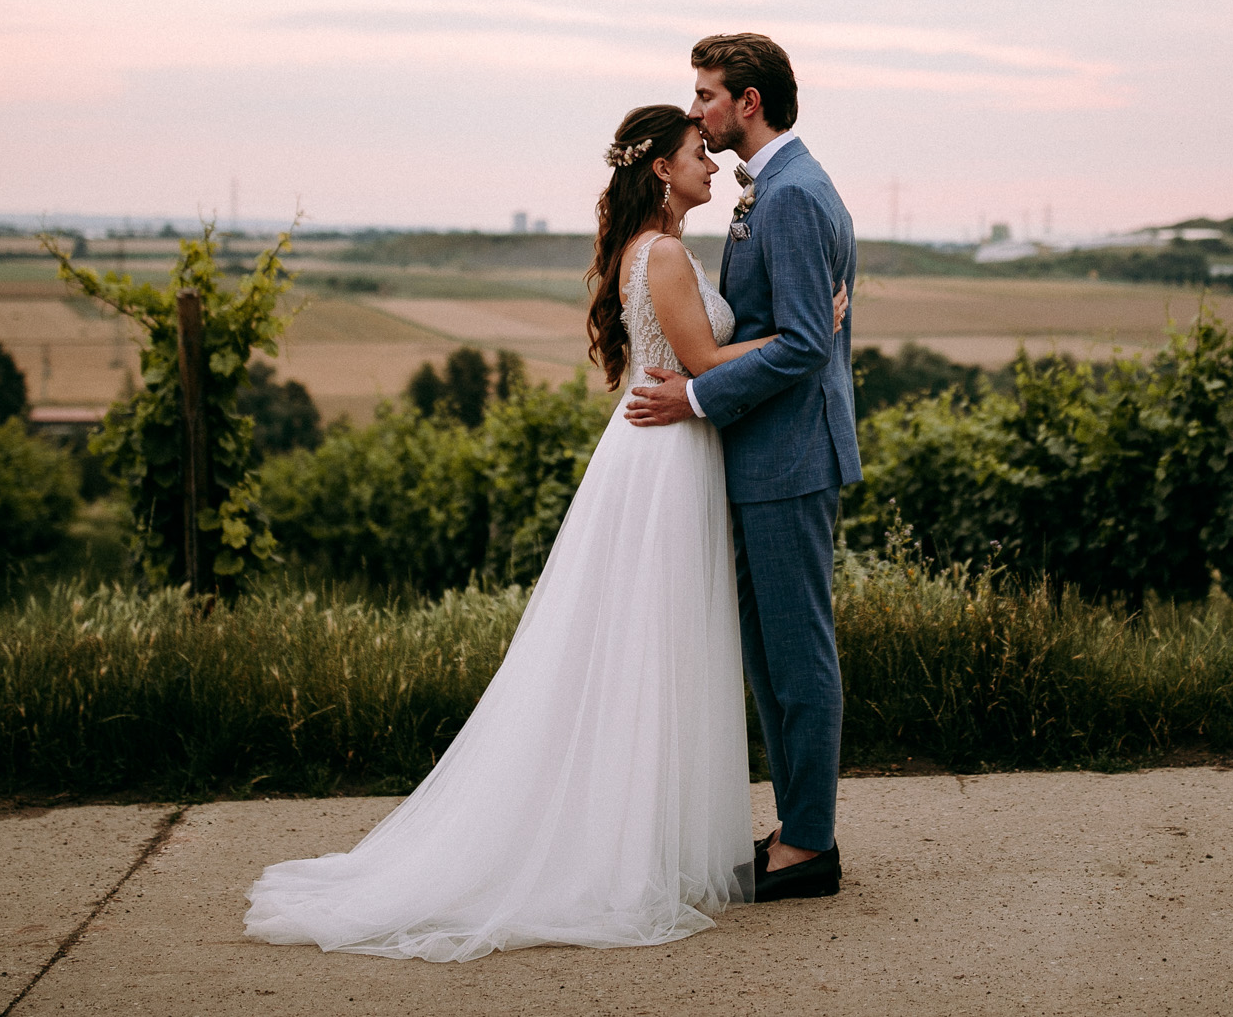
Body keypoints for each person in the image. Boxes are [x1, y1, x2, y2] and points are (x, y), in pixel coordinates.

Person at [244, 102, 848, 961]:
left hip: (665, 451)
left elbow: (705, 351)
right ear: (662, 171)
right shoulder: (667, 253)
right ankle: (629, 845)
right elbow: (707, 366)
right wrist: (809, 332)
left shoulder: (658, 248)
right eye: (694, 155)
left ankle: (650, 831)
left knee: (647, 642)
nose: (710, 163)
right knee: (651, 644)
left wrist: (783, 332)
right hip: (667, 457)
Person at [624, 33, 859, 902]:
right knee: (769, 649)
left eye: (707, 95)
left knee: (796, 651)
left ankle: (809, 844)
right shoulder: (778, 190)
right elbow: (797, 327)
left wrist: (691, 399)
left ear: (747, 102)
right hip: (769, 453)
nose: (697, 111)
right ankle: (799, 826)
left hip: (791, 455)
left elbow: (802, 343)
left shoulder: (793, 196)